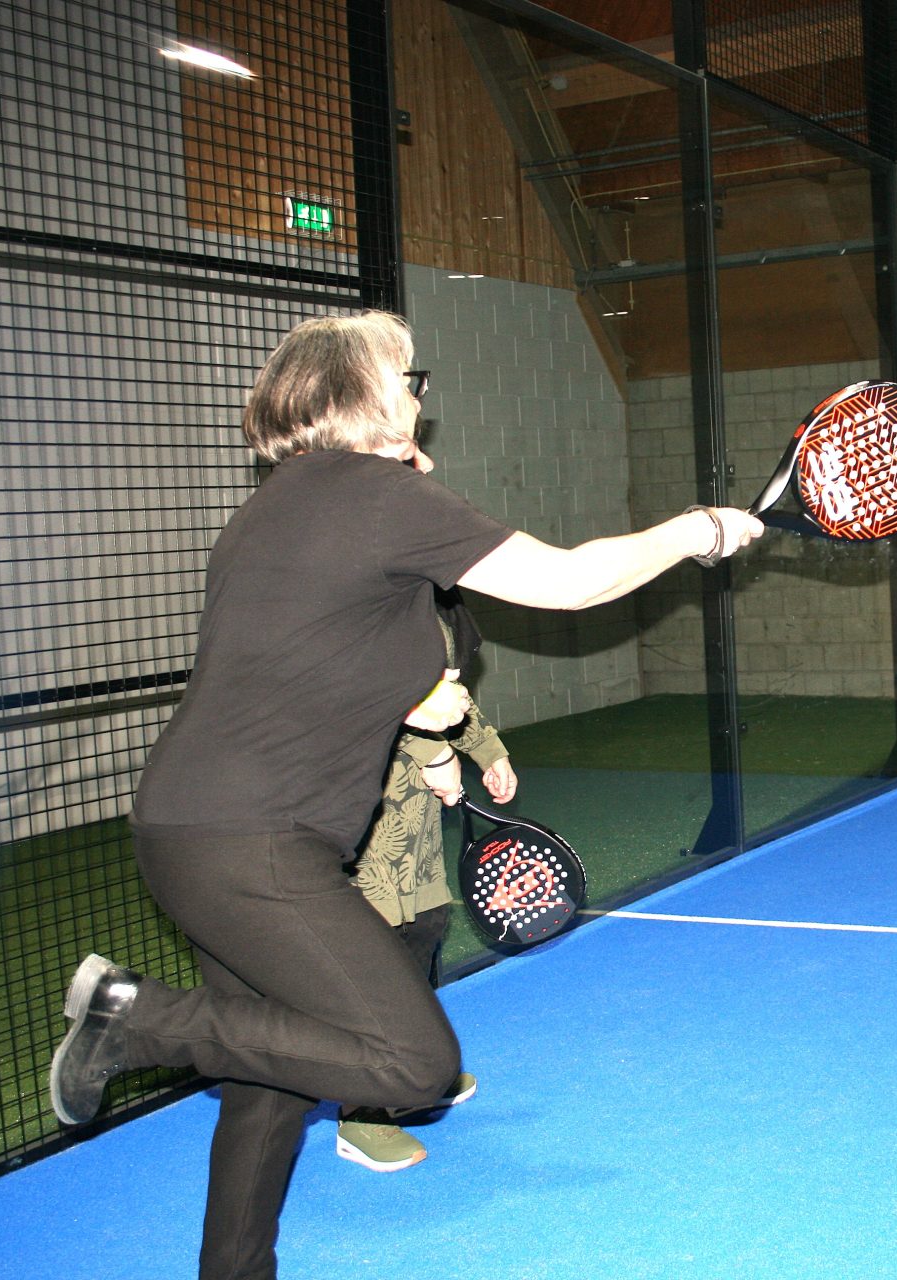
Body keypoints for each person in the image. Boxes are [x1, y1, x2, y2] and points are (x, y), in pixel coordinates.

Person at [47, 310, 761, 1280]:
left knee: (271, 1074)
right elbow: (569, 581)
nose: (422, 392)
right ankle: (135, 1019)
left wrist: (422, 706)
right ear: (365, 393)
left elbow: (320, 651)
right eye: (408, 376)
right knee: (412, 1062)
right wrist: (697, 529)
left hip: (191, 827)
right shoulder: (374, 497)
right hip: (253, 842)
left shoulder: (281, 505)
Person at [334, 591, 515, 1172]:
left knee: (426, 931)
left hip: (418, 833)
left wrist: (488, 752)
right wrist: (432, 751)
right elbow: (366, 700)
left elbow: (448, 700)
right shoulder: (356, 618)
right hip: (359, 826)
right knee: (373, 965)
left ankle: (415, 1072)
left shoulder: (430, 608)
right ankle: (363, 1112)